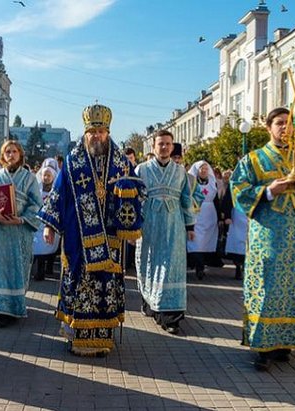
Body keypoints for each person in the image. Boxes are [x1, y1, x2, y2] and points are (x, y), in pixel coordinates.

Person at [230, 107, 295, 371]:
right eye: (279, 123)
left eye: (289, 124)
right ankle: (262, 347)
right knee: (266, 288)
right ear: (268, 127)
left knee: (294, 289)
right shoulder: (254, 159)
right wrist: (268, 190)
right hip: (267, 237)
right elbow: (238, 189)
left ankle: (284, 344)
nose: (285, 128)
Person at [38, 103, 143, 357]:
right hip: (78, 238)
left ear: (108, 133)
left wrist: (130, 226)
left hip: (110, 238)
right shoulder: (73, 162)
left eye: (101, 131)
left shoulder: (120, 163)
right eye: (92, 131)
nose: (96, 136)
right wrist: (49, 225)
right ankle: (77, 337)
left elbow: (134, 196)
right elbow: (58, 194)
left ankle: (103, 339)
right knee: (79, 284)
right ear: (85, 133)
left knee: (106, 286)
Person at [135, 130, 195, 335]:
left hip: (174, 226)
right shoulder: (141, 170)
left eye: (168, 144)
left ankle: (171, 317)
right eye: (160, 144)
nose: (165, 147)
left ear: (172, 146)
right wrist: (132, 227)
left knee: (172, 268)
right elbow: (132, 200)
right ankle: (150, 304)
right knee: (149, 264)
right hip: (149, 226)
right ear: (153, 147)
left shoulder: (180, 172)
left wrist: (190, 227)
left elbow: (186, 200)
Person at [0, 141, 42, 327]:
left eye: (14, 151)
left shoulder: (30, 178)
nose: (11, 154)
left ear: (20, 154)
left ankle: (13, 308)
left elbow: (37, 205)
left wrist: (22, 219)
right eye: (7, 151)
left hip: (19, 232)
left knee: (17, 268)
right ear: (2, 155)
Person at [186, 160, 218, 280]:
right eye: (201, 168)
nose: (204, 171)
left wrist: (220, 216)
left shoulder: (212, 182)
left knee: (206, 243)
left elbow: (216, 200)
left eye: (206, 169)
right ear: (197, 170)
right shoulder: (191, 182)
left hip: (210, 215)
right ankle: (198, 266)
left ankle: (202, 266)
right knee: (195, 242)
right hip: (196, 213)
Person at [32, 165, 59, 281]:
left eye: (49, 175)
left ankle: (43, 272)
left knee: (45, 251)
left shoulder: (56, 191)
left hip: (49, 224)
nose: (46, 178)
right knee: (36, 249)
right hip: (36, 223)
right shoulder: (36, 189)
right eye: (44, 175)